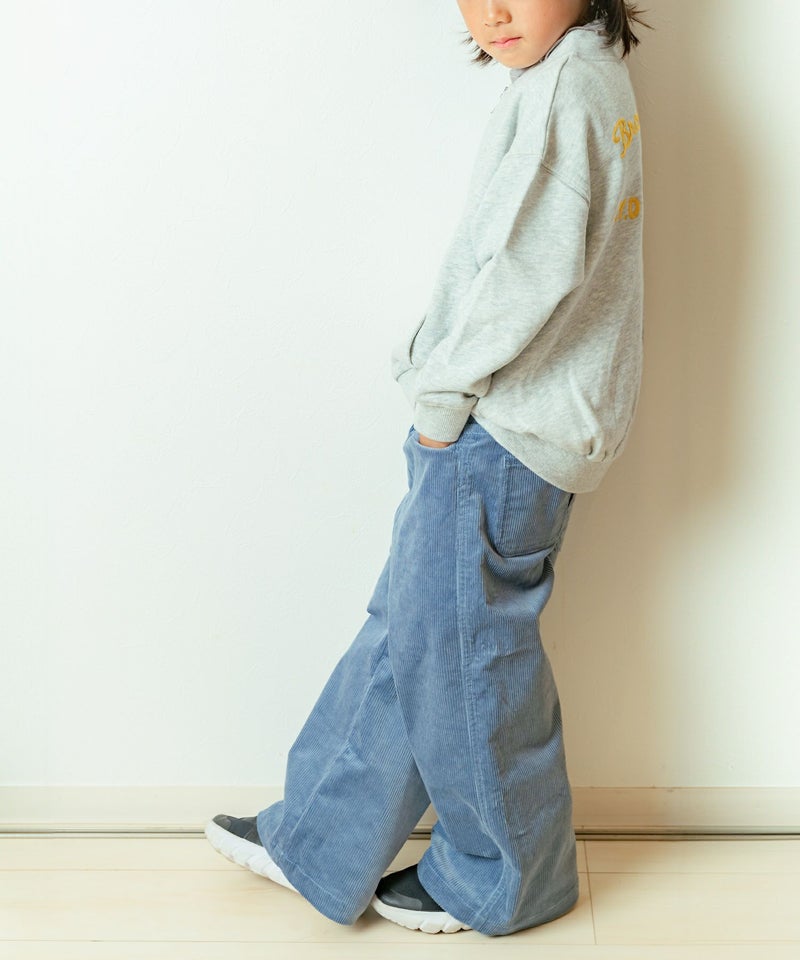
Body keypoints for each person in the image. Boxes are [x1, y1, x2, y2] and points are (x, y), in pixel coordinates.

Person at [205, 0, 651, 938]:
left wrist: (442, 397)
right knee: (417, 634)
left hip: (502, 423)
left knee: (467, 656)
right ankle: (321, 839)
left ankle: (509, 878)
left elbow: (524, 272)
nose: (492, 12)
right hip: (519, 419)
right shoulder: (579, 73)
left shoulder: (567, 86)